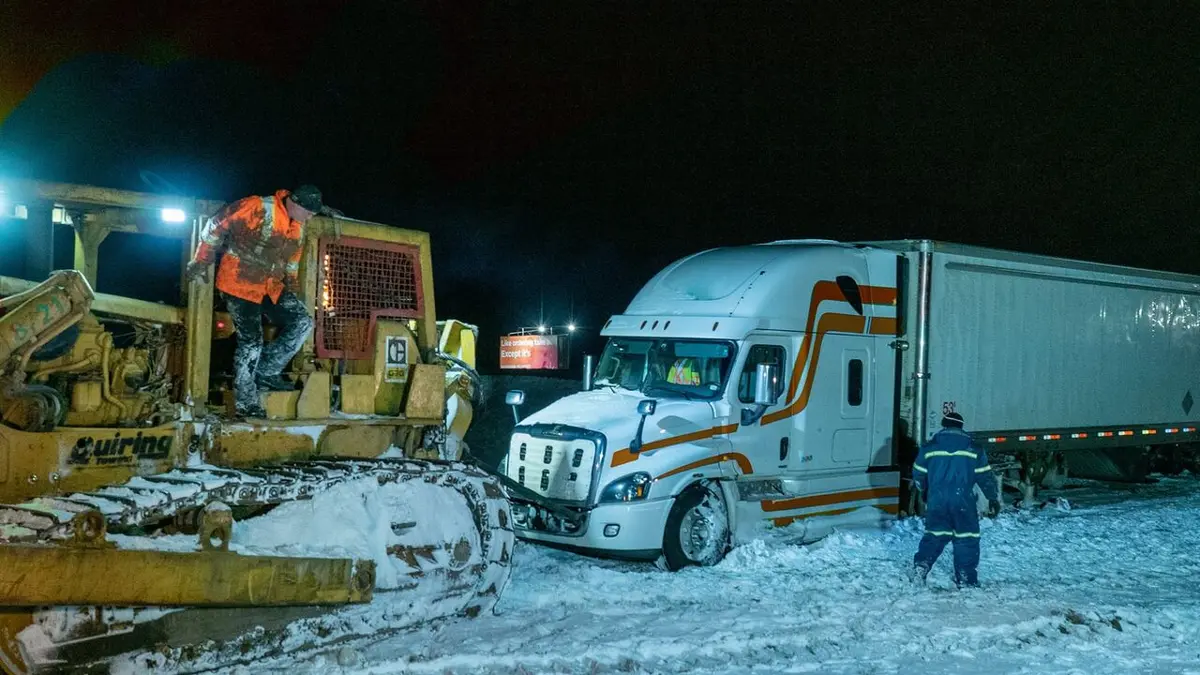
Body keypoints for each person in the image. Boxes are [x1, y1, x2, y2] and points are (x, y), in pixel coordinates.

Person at [185, 185, 327, 418]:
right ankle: (246, 401)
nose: (311, 217)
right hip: (239, 282)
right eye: (309, 212)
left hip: (269, 286)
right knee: (251, 342)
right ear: (296, 203)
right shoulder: (259, 207)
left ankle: (266, 371)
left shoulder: (298, 226)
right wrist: (201, 260)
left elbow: (292, 260)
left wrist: (291, 286)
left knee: (302, 322)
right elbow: (217, 225)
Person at [910, 411, 1001, 588]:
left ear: (944, 426)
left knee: (935, 535)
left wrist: (924, 491)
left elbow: (918, 474)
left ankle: (921, 567)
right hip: (963, 502)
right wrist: (993, 498)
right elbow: (985, 477)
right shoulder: (974, 449)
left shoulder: (929, 448)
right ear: (961, 427)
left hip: (937, 501)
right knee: (966, 538)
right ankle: (966, 578)